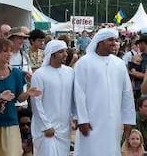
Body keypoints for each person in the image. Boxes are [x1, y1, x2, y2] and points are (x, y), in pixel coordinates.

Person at [74, 28, 136, 156]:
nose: (114, 43)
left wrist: (128, 120)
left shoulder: (119, 64)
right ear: (99, 42)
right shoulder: (84, 62)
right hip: (91, 121)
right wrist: (82, 119)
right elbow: (78, 93)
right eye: (110, 40)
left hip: (113, 121)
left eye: (115, 40)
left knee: (111, 150)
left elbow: (127, 93)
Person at [0, 38, 41, 156]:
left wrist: (28, 92)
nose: (9, 54)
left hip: (11, 122)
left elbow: (19, 98)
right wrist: (0, 98)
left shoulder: (16, 73)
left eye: (11, 51)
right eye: (5, 51)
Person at [30, 40, 75, 156]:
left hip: (64, 128)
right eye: (61, 52)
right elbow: (36, 102)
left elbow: (73, 98)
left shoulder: (70, 73)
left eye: (65, 51)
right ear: (52, 54)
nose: (65, 54)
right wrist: (46, 126)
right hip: (46, 129)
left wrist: (75, 117)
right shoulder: (39, 74)